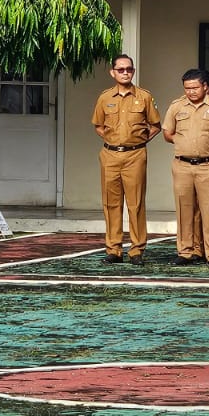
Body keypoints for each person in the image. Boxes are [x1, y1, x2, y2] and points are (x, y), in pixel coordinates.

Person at [162, 68, 209, 266]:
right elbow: (167, 133)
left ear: (205, 87)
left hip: (208, 165)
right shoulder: (177, 106)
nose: (191, 92)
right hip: (182, 165)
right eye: (187, 88)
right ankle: (185, 251)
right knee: (184, 208)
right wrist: (184, 143)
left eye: (195, 87)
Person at [91, 54, 161, 263]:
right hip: (110, 154)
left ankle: (137, 250)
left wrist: (138, 141)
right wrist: (114, 140)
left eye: (128, 69)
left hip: (135, 155)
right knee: (111, 203)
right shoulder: (105, 97)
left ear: (133, 71)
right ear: (112, 72)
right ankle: (113, 249)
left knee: (136, 203)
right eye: (120, 69)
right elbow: (98, 125)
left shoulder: (144, 97)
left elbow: (156, 125)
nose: (125, 73)